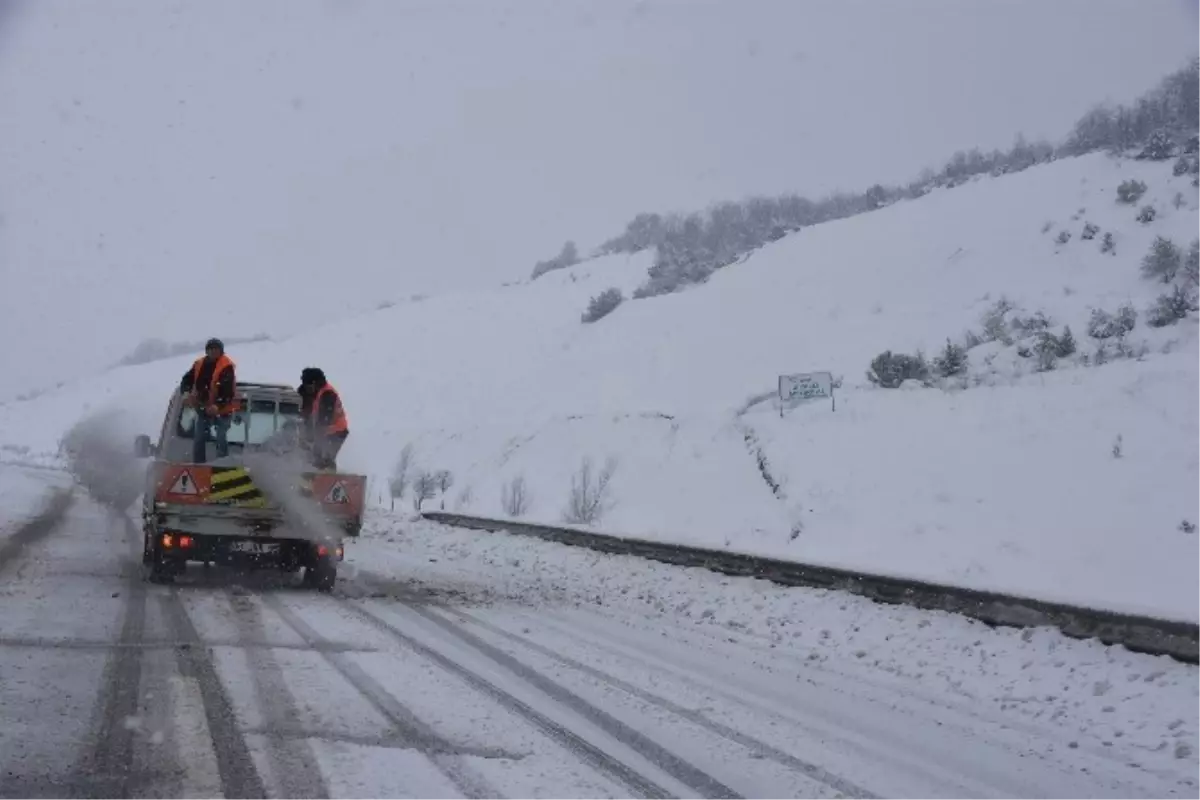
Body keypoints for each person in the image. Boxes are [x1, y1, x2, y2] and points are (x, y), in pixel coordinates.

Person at [180, 338, 237, 463]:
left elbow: (228, 391)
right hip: (203, 408)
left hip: (222, 410)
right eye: (210, 349)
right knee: (199, 437)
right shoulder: (199, 364)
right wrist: (185, 393)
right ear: (206, 351)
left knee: (221, 436)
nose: (213, 352)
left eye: (216, 349)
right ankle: (198, 465)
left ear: (221, 351)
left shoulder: (226, 366)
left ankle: (223, 464)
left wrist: (218, 405)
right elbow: (186, 380)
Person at [297, 367, 349, 470]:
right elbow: (304, 412)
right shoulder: (312, 391)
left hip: (336, 432)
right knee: (312, 454)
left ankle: (327, 477)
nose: (307, 389)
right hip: (325, 430)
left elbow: (323, 422)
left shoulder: (328, 395)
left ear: (315, 383)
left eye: (309, 386)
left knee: (323, 457)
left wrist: (310, 439)